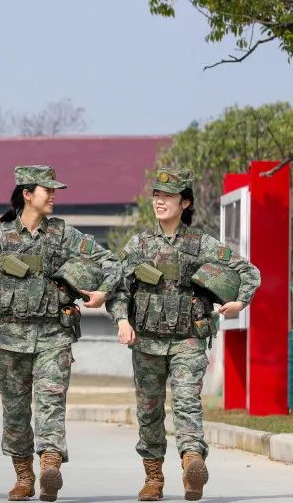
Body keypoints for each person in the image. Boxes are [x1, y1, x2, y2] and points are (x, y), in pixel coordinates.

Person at [0, 165, 119, 502]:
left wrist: (103, 292)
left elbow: (110, 261)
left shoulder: (64, 234)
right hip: (8, 340)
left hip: (54, 336)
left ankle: (49, 466)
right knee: (15, 411)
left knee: (51, 403)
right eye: (48, 190)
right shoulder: (1, 237)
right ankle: (23, 476)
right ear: (28, 194)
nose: (54, 196)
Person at [107, 168, 260, 502]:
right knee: (149, 411)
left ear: (185, 202)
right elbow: (118, 288)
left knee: (187, 403)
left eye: (168, 196)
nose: (160, 202)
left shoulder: (201, 244)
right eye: (156, 196)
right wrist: (121, 320)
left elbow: (248, 270)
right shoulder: (139, 244)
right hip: (146, 342)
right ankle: (153, 478)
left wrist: (240, 301)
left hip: (188, 340)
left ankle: (192, 464)